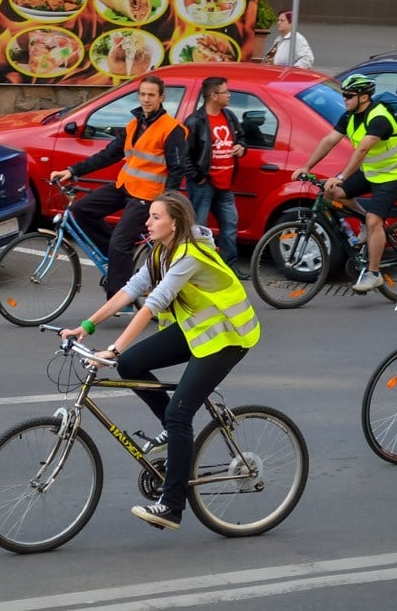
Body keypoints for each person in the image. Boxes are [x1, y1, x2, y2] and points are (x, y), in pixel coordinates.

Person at [61, 191, 260, 530]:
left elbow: (153, 303)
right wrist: (86, 326)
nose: (147, 222)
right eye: (149, 216)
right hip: (198, 330)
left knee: (179, 413)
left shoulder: (190, 255)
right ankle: (172, 432)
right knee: (132, 365)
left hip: (228, 337)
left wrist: (114, 348)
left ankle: (172, 506)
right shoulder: (160, 252)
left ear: (175, 223)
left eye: (155, 217)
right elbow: (129, 290)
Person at [49, 75, 188, 311]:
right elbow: (109, 154)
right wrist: (72, 171)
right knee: (79, 211)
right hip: (124, 186)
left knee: (120, 242)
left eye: (151, 95)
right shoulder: (134, 124)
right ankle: (116, 257)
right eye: (142, 94)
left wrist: (165, 204)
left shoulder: (172, 130)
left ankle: (120, 300)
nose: (146, 99)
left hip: (148, 195)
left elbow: (177, 170)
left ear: (161, 98)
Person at [291, 74, 397, 292]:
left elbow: (362, 149)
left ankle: (373, 273)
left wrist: (340, 177)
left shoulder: (379, 118)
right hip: (371, 171)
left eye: (349, 95)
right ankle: (364, 223)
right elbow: (329, 140)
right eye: (343, 95)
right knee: (332, 194)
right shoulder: (349, 115)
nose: (345, 99)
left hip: (393, 174)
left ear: (364, 97)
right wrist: (307, 167)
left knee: (374, 219)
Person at [182, 77, 248, 280]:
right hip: (204, 184)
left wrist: (241, 148)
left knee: (230, 226)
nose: (229, 95)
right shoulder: (195, 121)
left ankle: (230, 268)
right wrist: (197, 178)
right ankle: (198, 269)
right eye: (225, 92)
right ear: (213, 96)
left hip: (225, 183)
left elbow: (241, 138)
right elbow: (184, 155)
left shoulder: (229, 116)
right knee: (199, 230)